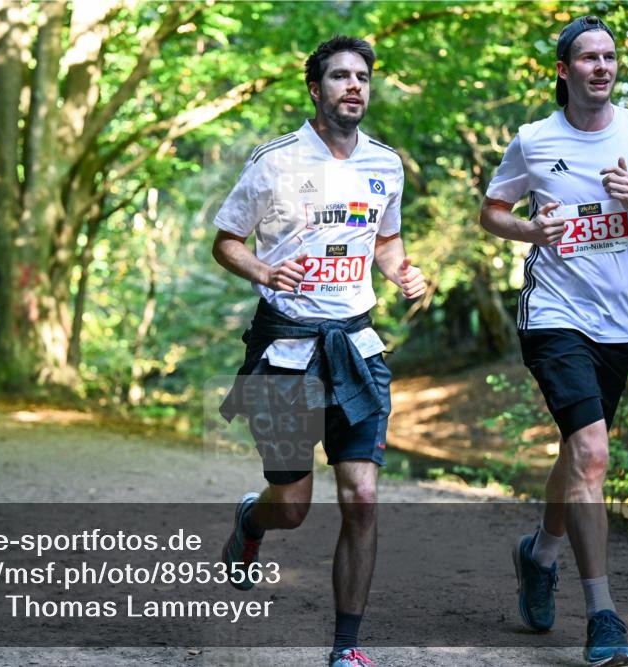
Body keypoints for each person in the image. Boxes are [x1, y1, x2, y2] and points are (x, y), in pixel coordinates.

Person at [211, 35, 426, 667]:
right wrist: (262, 270)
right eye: (340, 76)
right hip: (284, 348)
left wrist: (404, 272)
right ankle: (253, 521)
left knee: (361, 496)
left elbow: (386, 242)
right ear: (316, 89)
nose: (354, 86)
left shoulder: (386, 165)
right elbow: (226, 241)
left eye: (363, 76)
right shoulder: (275, 161)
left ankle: (345, 649)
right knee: (294, 507)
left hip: (356, 347)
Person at [480, 15, 628, 667]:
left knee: (578, 452)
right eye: (589, 58)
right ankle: (604, 616)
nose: (602, 66)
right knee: (593, 452)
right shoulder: (535, 140)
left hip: (618, 324)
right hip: (552, 314)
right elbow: (493, 210)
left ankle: (538, 553)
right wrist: (529, 234)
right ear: (565, 71)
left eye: (610, 56)